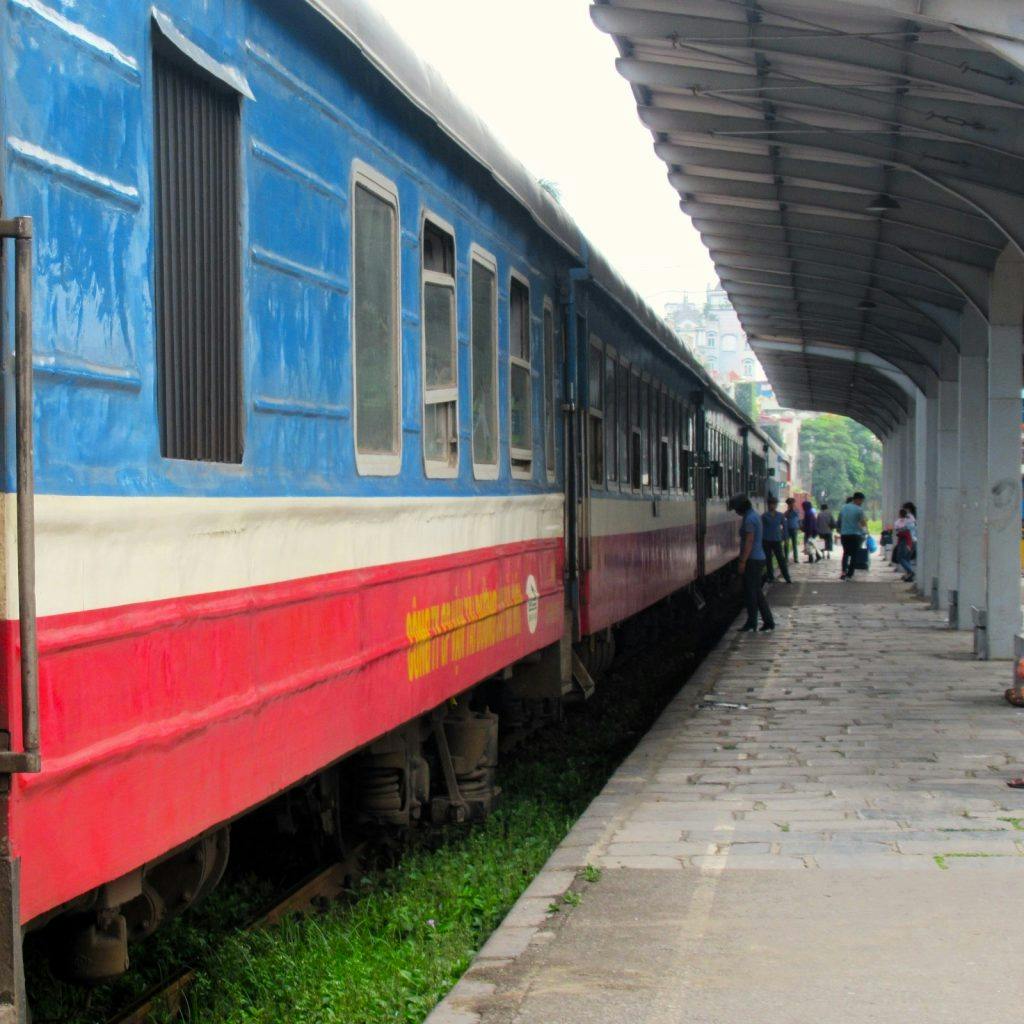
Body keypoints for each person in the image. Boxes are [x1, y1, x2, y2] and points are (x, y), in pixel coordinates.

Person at [729, 494, 775, 632]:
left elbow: (749, 541)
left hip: (752, 559)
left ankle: (752, 622)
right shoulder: (754, 516)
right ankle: (766, 621)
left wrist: (742, 561)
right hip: (757, 557)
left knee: (751, 592)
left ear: (741, 507)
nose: (736, 512)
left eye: (736, 509)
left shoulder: (749, 519)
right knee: (756, 591)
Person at [761, 496, 792, 583]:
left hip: (777, 540)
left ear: (776, 505)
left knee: (781, 559)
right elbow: (760, 528)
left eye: (774, 504)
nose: (772, 506)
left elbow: (785, 527)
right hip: (766, 540)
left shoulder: (780, 515)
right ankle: (771, 577)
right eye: (771, 504)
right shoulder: (764, 516)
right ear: (768, 505)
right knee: (768, 559)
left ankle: (787, 577)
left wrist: (786, 538)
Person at [838, 492, 868, 580]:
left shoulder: (843, 508)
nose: (861, 502)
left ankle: (843, 572)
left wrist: (840, 529)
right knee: (854, 555)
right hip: (855, 535)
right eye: (861, 500)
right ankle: (850, 574)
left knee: (846, 553)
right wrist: (866, 532)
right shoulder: (859, 510)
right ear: (857, 499)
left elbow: (839, 520)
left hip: (844, 535)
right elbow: (863, 522)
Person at [893, 505, 916, 582]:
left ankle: (910, 572)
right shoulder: (912, 520)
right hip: (913, 541)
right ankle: (909, 576)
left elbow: (899, 531)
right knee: (907, 558)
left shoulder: (900, 522)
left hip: (904, 541)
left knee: (900, 558)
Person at [783, 497, 801, 563]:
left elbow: (796, 514)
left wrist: (792, 508)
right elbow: (784, 516)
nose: (790, 504)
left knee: (794, 544)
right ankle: (786, 558)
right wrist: (789, 510)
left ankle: (796, 558)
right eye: (789, 503)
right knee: (786, 543)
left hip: (794, 529)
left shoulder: (796, 510)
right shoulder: (787, 511)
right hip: (787, 529)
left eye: (791, 503)